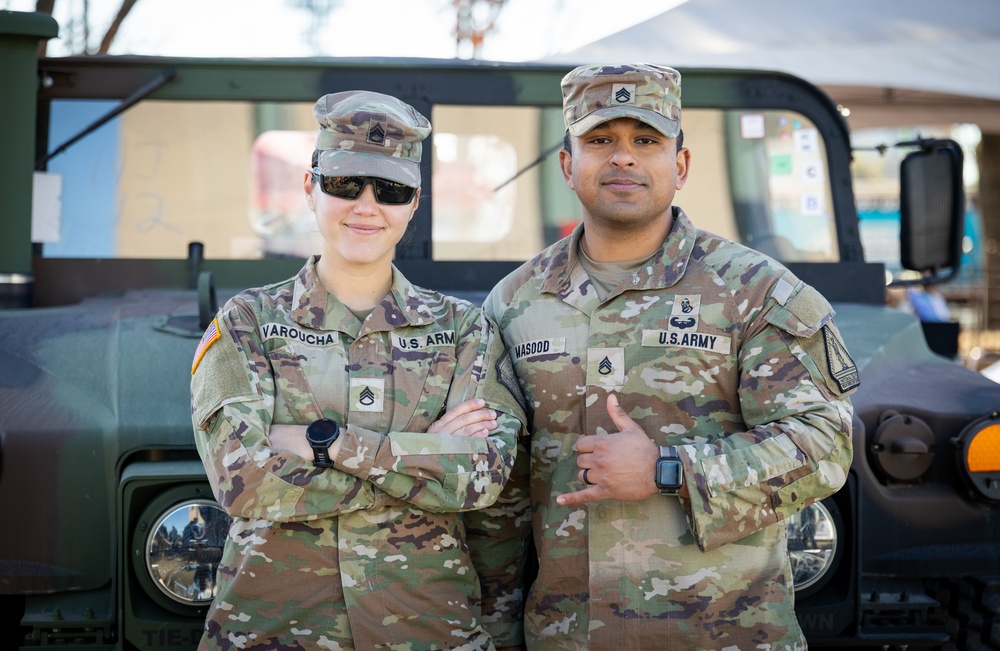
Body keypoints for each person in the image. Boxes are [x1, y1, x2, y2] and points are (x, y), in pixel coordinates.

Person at [471, 64, 858, 649]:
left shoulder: (754, 290)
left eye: (645, 141)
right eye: (600, 140)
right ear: (568, 164)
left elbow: (824, 442)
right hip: (569, 637)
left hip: (724, 634)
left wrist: (667, 468)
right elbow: (503, 495)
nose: (622, 158)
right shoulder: (516, 301)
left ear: (679, 166)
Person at [190, 90, 525, 650]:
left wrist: (327, 443)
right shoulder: (249, 322)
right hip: (274, 632)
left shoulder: (466, 329)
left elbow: (482, 475)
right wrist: (422, 455)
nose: (366, 206)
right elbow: (243, 483)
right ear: (310, 188)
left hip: (427, 630)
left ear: (413, 204)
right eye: (346, 184)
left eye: (390, 190)